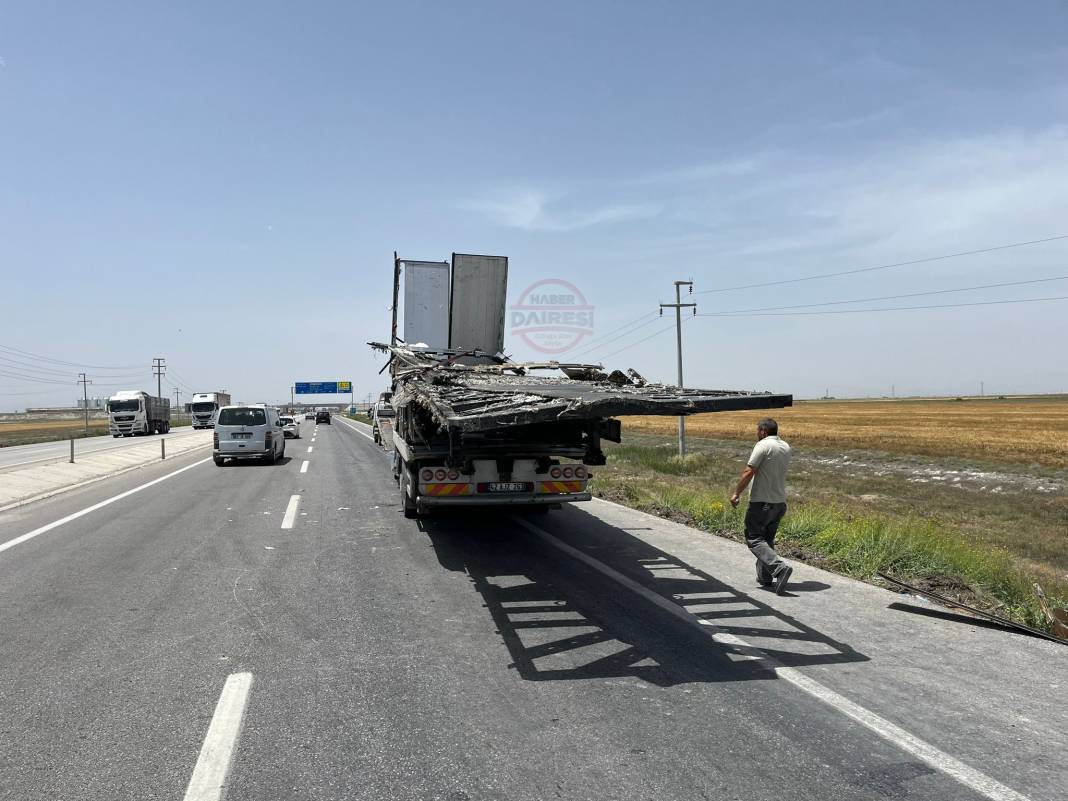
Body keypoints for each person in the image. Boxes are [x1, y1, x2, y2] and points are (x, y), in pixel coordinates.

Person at [730, 418, 793, 594]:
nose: (757, 434)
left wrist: (736, 494)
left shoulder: (763, 445)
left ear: (763, 431)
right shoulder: (786, 447)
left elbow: (749, 471)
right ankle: (766, 578)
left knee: (754, 538)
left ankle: (779, 568)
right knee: (767, 540)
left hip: (761, 502)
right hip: (779, 502)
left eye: (758, 431)